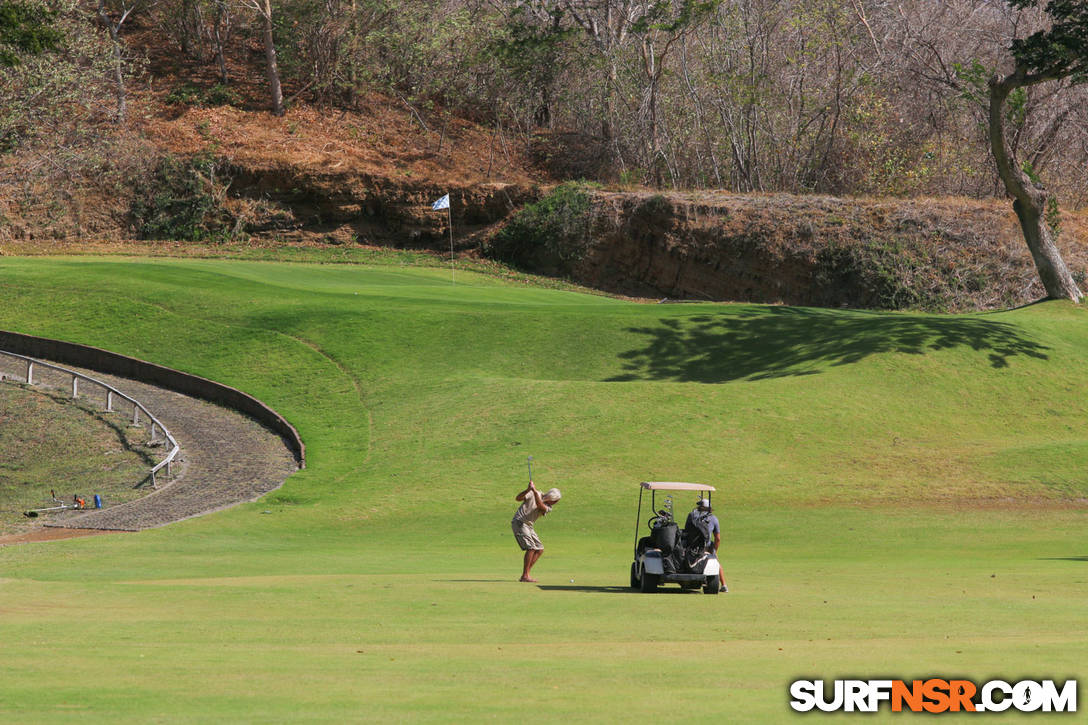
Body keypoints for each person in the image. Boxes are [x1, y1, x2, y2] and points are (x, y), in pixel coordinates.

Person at [511, 480, 561, 582]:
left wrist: (534, 492)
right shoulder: (535, 493)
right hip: (519, 522)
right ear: (552, 499)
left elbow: (540, 506)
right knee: (531, 548)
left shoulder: (548, 507)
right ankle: (525, 576)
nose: (556, 503)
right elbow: (518, 498)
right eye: (556, 501)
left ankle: (526, 574)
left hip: (528, 526)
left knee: (539, 549)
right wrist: (528, 490)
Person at [685, 498, 727, 592]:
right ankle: (724, 585)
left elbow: (686, 532)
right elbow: (718, 538)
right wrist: (714, 551)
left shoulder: (691, 516)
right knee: (715, 560)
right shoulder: (713, 519)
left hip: (690, 546)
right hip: (706, 547)